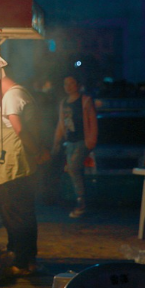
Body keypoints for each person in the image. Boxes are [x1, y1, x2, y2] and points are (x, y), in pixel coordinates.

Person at [0, 70, 44, 277]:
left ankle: (20, 262)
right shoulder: (20, 95)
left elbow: (19, 129)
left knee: (16, 215)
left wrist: (36, 151)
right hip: (18, 166)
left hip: (15, 166)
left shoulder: (12, 95)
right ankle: (27, 260)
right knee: (24, 214)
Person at [52, 74, 97, 218]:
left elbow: (92, 121)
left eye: (71, 83)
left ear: (77, 85)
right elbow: (61, 123)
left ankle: (81, 202)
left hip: (81, 141)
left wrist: (91, 140)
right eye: (66, 84)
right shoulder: (64, 103)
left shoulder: (85, 101)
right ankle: (80, 199)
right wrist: (57, 141)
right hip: (69, 141)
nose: (68, 87)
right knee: (74, 171)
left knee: (73, 168)